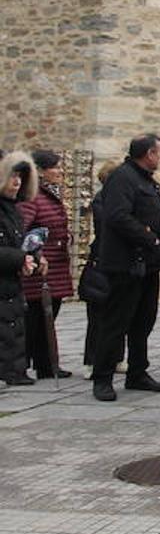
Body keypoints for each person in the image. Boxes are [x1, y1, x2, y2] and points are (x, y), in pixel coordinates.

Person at [92, 134, 160, 402]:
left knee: (143, 321)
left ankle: (138, 372)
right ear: (149, 153)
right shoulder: (123, 178)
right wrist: (148, 236)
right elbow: (117, 215)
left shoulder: (144, 179)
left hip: (147, 265)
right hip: (126, 264)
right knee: (116, 322)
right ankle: (102, 377)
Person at [19, 150, 75, 379]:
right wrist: (35, 253)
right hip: (40, 269)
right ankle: (22, 364)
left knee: (48, 317)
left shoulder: (50, 194)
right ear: (41, 171)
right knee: (34, 319)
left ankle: (46, 364)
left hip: (56, 267)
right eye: (55, 167)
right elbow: (22, 229)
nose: (60, 171)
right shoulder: (33, 196)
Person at [0, 152, 40, 386]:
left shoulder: (13, 208)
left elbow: (18, 241)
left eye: (20, 177)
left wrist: (33, 256)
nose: (16, 182)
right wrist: (19, 259)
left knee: (12, 323)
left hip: (10, 281)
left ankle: (14, 370)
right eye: (12, 176)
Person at [82, 159, 121, 377]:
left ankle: (115, 357)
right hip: (102, 261)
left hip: (113, 261)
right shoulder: (102, 200)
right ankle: (92, 360)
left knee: (117, 314)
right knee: (97, 316)